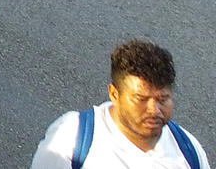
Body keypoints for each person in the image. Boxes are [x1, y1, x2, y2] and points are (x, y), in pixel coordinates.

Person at [31, 40, 207, 169]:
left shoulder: (189, 150)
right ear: (115, 94)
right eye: (141, 99)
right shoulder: (71, 139)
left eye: (162, 99)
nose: (154, 110)